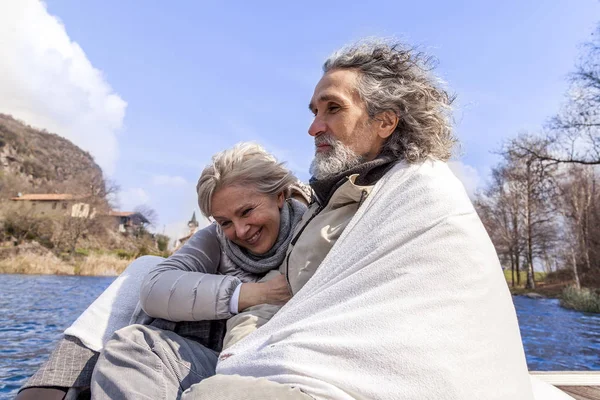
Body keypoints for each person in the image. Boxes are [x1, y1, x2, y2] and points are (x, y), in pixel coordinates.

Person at [90, 38, 535, 400]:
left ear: (384, 121)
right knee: (133, 347)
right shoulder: (330, 202)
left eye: (333, 108)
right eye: (313, 112)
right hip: (262, 351)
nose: (314, 126)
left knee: (220, 395)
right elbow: (168, 288)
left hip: (327, 369)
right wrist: (247, 310)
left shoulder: (407, 194)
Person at [16, 143, 310, 400]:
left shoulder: (319, 223)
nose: (241, 231)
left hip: (297, 366)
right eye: (225, 221)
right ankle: (52, 387)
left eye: (247, 212)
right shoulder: (215, 238)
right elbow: (156, 287)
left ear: (280, 196)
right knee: (142, 288)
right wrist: (250, 293)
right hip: (222, 357)